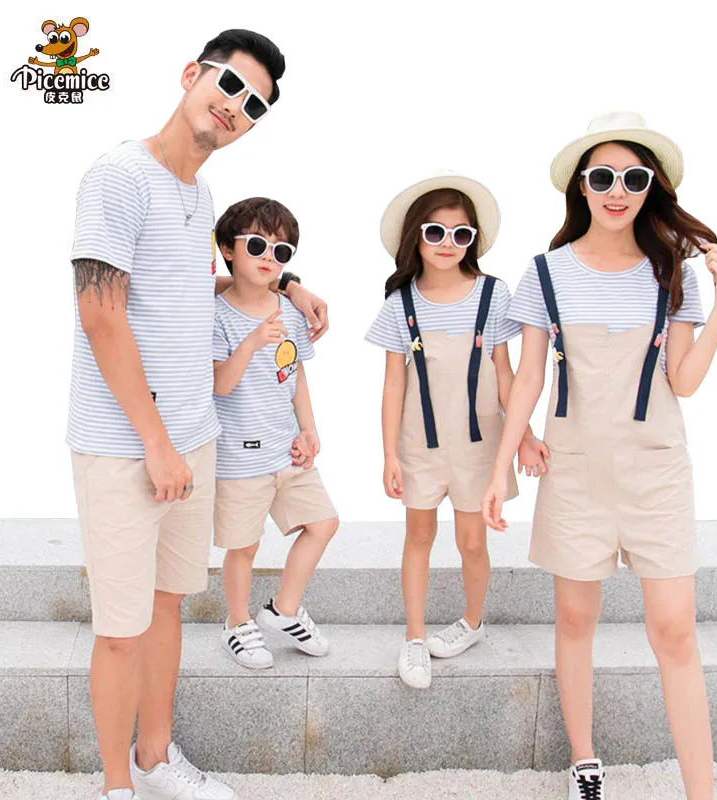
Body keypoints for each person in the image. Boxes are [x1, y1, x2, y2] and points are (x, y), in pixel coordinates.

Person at [69, 29, 329, 800]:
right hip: (127, 446)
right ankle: (116, 785)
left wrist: (288, 289)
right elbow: (101, 316)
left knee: (168, 605)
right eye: (230, 85)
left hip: (194, 439)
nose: (235, 107)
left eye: (254, 105)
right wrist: (155, 442)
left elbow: (186, 289)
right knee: (119, 630)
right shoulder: (119, 176)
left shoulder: (201, 195)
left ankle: (155, 760)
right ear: (192, 74)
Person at [483, 111, 717, 800]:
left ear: (652, 186)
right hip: (575, 475)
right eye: (603, 177)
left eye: (633, 177)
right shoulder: (545, 273)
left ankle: (700, 792)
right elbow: (529, 378)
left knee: (675, 631)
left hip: (657, 473)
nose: (617, 190)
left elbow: (683, 381)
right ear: (582, 188)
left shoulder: (675, 273)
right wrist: (505, 465)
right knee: (575, 618)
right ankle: (585, 762)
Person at [366, 174, 547, 689]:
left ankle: (472, 621)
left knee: (472, 542)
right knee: (418, 535)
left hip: (480, 446)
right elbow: (392, 387)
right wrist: (388, 456)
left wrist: (527, 435)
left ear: (473, 241)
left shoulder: (493, 295)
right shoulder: (401, 304)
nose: (448, 244)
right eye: (435, 232)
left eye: (461, 234)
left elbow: (508, 376)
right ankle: (416, 637)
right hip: (418, 446)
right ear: (414, 238)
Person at [212, 197, 339, 668]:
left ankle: (283, 610)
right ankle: (237, 623)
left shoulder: (289, 310)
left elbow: (296, 376)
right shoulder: (218, 314)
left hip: (287, 451)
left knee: (323, 523)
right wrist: (250, 342)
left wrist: (309, 429)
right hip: (239, 457)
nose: (270, 257)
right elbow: (219, 384)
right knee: (243, 547)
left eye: (282, 251)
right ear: (228, 249)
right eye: (258, 244)